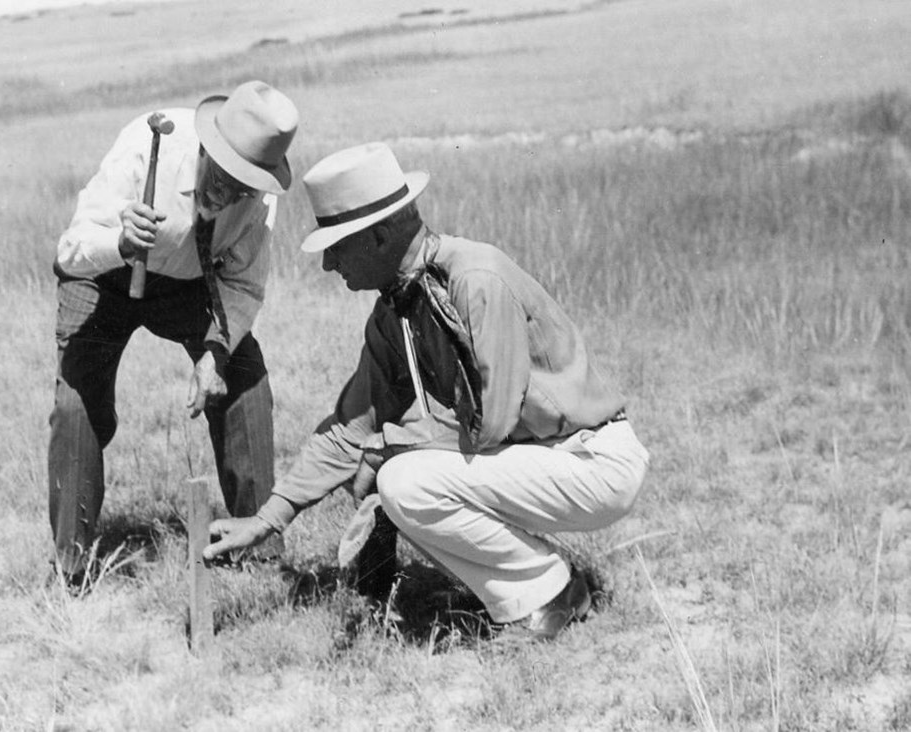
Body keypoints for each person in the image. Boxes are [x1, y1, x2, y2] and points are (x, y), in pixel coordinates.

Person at [204, 142, 650, 640]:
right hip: (539, 462)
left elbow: (492, 424)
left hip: (591, 461)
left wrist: (388, 450)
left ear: (379, 235)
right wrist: (266, 519)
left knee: (402, 481)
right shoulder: (394, 311)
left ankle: (547, 589)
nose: (328, 263)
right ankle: (534, 588)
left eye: (337, 244)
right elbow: (350, 430)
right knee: (398, 476)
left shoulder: (476, 278)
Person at [50, 80, 298, 586]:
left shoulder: (259, 199)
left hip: (189, 283)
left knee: (246, 380)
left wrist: (215, 352)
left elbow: (242, 286)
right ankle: (71, 572)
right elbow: (70, 251)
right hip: (105, 274)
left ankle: (258, 554)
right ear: (206, 147)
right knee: (78, 408)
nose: (226, 194)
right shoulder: (145, 148)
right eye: (221, 175)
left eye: (242, 186)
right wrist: (121, 242)